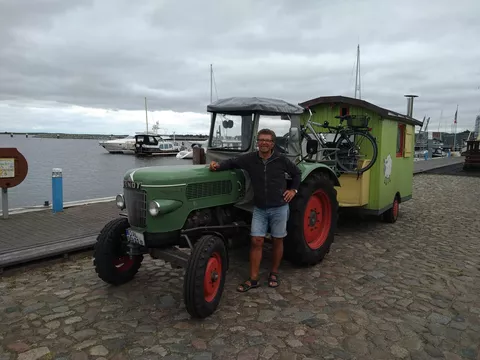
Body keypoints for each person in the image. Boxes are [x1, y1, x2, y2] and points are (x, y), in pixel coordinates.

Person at [209, 128, 301, 291]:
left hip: (279, 207)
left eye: (268, 140)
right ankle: (253, 279)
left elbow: (297, 173)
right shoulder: (250, 159)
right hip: (260, 208)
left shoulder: (281, 159)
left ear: (273, 144)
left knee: (277, 240)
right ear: (257, 142)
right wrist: (217, 166)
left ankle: (273, 272)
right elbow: (233, 162)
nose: (264, 143)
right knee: (256, 241)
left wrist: (293, 190)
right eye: (261, 140)